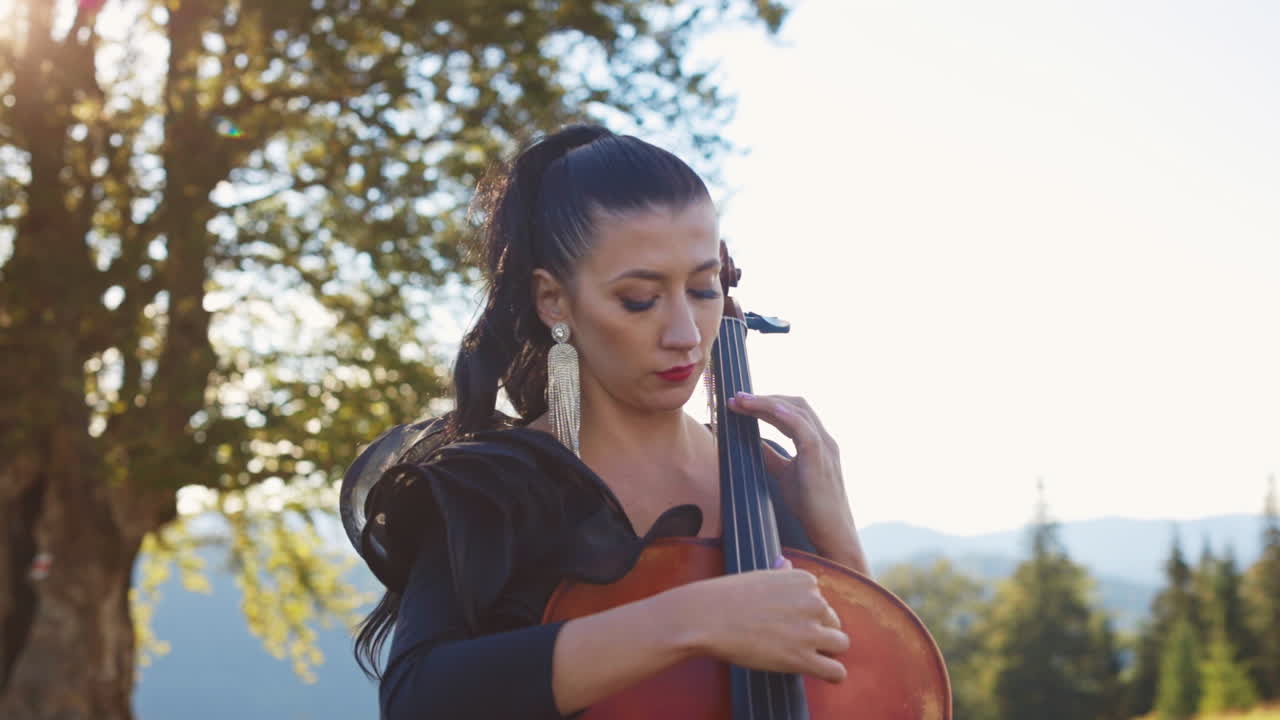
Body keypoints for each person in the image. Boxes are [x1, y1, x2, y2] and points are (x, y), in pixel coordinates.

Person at [343, 124, 870, 719]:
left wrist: (838, 541)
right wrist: (690, 618)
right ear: (554, 301)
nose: (684, 334)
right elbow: (420, 700)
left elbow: (873, 688)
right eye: (640, 300)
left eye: (702, 290)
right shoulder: (498, 488)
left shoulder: (768, 482)